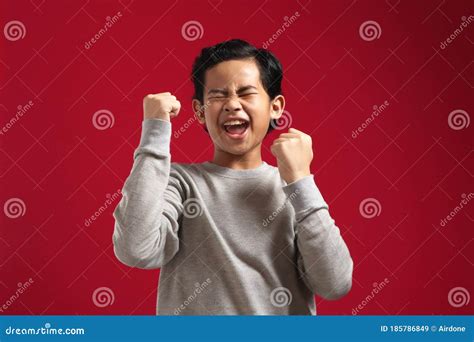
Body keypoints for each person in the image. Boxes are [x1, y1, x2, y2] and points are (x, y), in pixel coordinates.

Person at [112, 39, 353, 315]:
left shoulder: (295, 190)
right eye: (217, 96)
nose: (232, 105)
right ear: (200, 112)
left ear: (276, 107)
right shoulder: (178, 183)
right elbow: (135, 249)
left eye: (246, 93)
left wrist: (301, 180)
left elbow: (335, 284)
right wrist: (154, 133)